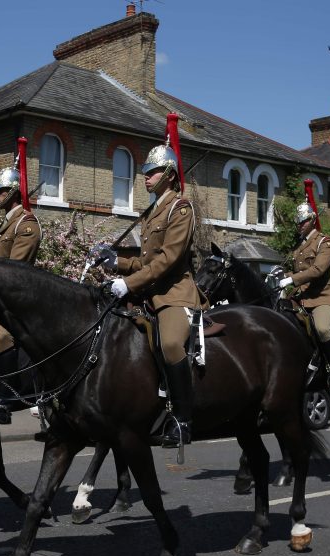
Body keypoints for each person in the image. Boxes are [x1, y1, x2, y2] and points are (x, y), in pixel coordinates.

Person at [98, 123, 200, 447]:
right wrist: (116, 263)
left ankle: (183, 419)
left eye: (153, 171)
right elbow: (145, 262)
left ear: (169, 174)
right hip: (148, 292)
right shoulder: (151, 213)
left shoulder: (180, 208)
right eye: (146, 171)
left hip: (174, 294)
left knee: (170, 344)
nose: (146, 176)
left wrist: (127, 283)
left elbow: (168, 260)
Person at [0, 156, 42, 425]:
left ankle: (4, 399)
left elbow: (15, 269)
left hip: (18, 299)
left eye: (2, 191)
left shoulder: (26, 224)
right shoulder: (5, 224)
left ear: (14, 192)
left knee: (3, 337)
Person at [276, 192, 330, 390]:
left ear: (312, 220)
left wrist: (291, 279)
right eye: (298, 222)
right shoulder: (300, 246)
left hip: (320, 298)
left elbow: (317, 270)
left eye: (302, 221)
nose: (299, 225)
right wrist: (280, 274)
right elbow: (297, 270)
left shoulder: (325, 242)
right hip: (299, 298)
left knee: (322, 329)